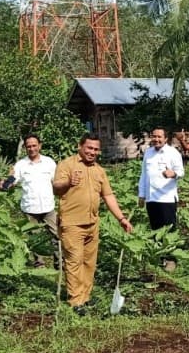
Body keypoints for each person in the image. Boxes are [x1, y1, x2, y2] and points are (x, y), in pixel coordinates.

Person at [53, 133, 133, 314]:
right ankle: (76, 302)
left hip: (92, 223)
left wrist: (121, 218)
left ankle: (85, 297)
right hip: (72, 223)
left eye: (96, 149)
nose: (92, 152)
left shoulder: (99, 170)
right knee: (74, 261)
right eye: (89, 148)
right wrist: (68, 182)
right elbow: (56, 187)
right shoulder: (67, 165)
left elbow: (108, 196)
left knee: (89, 262)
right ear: (80, 146)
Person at [10, 134, 60, 268]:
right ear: (25, 148)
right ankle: (40, 264)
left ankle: (59, 262)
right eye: (29, 146)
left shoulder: (49, 162)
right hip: (29, 208)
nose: (32, 148)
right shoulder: (21, 165)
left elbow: (56, 182)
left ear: (40, 146)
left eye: (34, 145)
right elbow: (12, 181)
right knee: (35, 239)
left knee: (57, 235)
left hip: (48, 207)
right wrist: (7, 182)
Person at [138, 127, 185, 230]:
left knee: (169, 231)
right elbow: (144, 175)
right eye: (154, 136)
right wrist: (141, 195)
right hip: (151, 199)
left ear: (165, 138)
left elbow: (181, 172)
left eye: (159, 137)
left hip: (166, 199)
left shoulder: (173, 153)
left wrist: (173, 173)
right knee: (155, 231)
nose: (156, 139)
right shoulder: (148, 152)